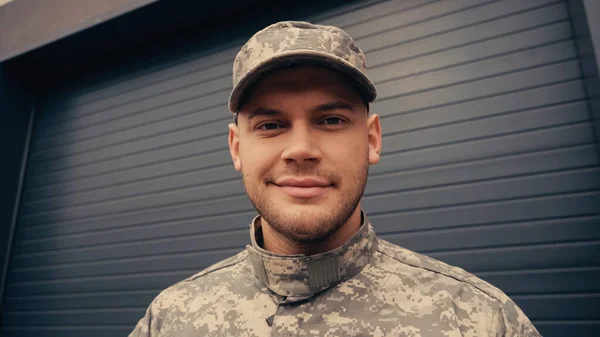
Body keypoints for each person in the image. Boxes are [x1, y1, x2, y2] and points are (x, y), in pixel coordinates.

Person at [129, 21, 542, 337]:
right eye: (271, 125)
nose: (301, 148)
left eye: (331, 119)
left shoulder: (480, 320)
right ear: (237, 148)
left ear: (371, 139)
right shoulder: (170, 319)